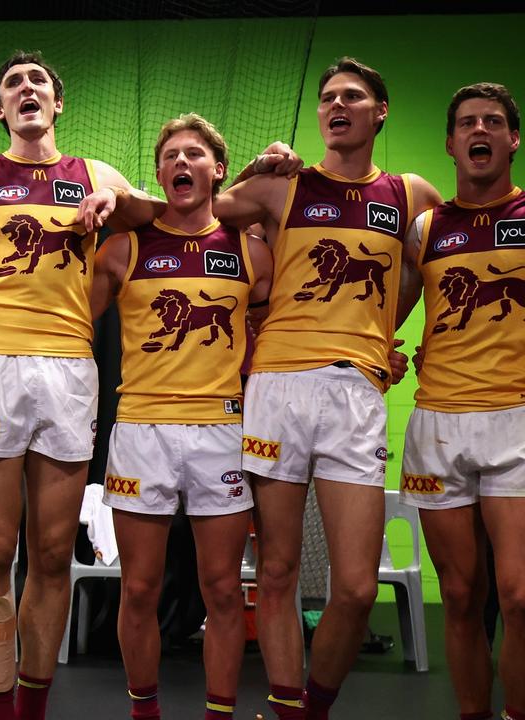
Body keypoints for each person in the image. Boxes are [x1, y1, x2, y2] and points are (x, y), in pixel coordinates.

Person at [0, 51, 294, 720]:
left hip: (70, 367)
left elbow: (185, 204)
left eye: (39, 84)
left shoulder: (98, 175)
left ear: (58, 106)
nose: (27, 90)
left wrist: (261, 170)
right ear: (1, 110)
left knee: (53, 554)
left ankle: (32, 706)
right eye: (13, 85)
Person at [192, 57, 440, 719]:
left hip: (354, 393)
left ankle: (313, 706)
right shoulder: (285, 188)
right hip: (276, 385)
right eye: (329, 97)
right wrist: (251, 166)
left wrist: (388, 326)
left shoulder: (411, 193)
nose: (337, 105)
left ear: (379, 111)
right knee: (276, 573)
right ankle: (288, 708)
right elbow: (196, 206)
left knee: (356, 588)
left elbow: (431, 266)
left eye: (353, 96)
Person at [89, 114, 271, 720]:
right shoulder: (124, 248)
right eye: (169, 156)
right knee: (139, 588)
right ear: (160, 174)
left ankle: (220, 710)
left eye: (194, 154)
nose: (180, 164)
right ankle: (145, 711)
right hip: (141, 431)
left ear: (218, 171)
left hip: (223, 432)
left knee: (222, 589)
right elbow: (64, 324)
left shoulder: (251, 248)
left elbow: (284, 327)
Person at [397, 82, 523, 720]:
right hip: (439, 424)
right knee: (464, 594)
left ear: (512, 139)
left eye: (494, 121)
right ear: (451, 143)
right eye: (469, 122)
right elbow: (385, 312)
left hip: (519, 421)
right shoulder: (425, 228)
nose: (481, 130)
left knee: (520, 594)